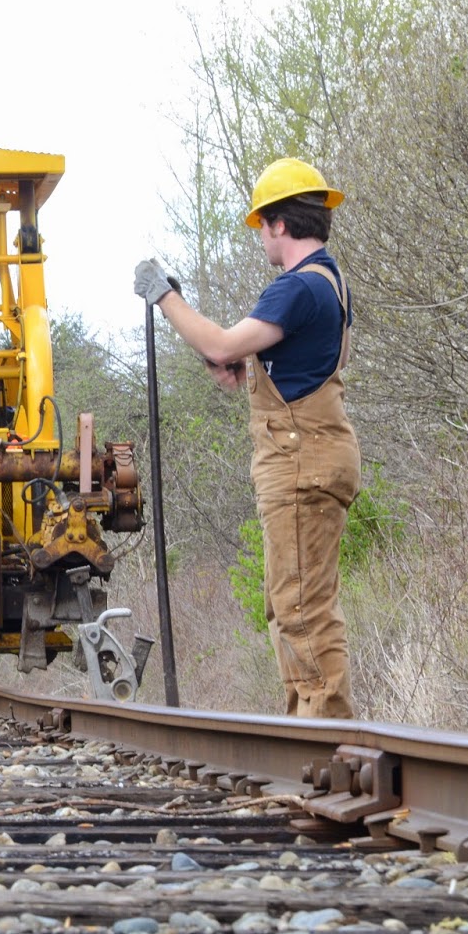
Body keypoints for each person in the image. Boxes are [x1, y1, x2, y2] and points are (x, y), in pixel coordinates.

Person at [133, 157, 360, 719]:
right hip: (311, 455)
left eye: (261, 225)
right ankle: (304, 738)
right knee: (289, 603)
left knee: (301, 606)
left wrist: (165, 297)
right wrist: (242, 365)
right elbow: (261, 357)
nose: (260, 236)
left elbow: (220, 342)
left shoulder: (297, 288)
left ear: (279, 224)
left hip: (301, 461)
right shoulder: (327, 281)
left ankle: (325, 740)